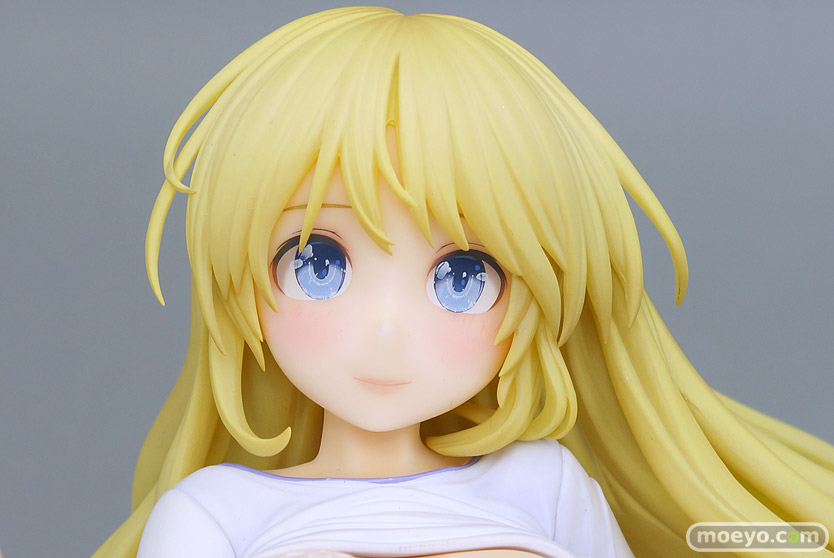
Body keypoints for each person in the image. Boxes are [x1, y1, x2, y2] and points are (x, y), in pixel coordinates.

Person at [93, 7, 834, 558]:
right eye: (319, 264)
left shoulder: (543, 485)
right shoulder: (215, 513)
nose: (387, 330)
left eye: (463, 276)